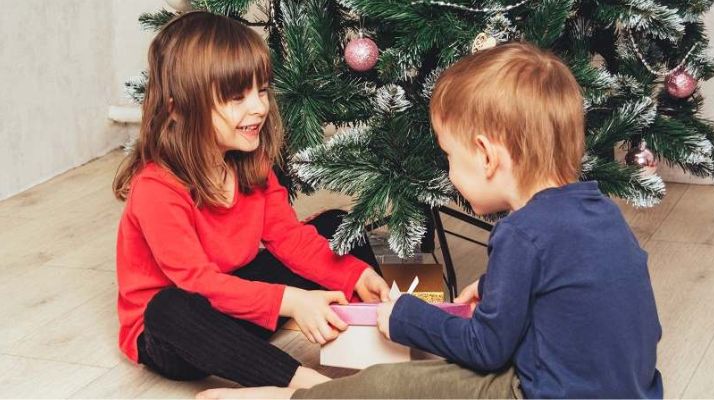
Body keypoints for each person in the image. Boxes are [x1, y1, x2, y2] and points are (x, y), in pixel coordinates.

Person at [198, 42, 663, 399]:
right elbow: (590, 298)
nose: (448, 172)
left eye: (449, 157)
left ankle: (294, 395)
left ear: (485, 156)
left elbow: (487, 349)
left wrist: (404, 316)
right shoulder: (600, 210)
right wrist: (500, 289)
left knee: (387, 384)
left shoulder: (520, 233)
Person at [112, 11, 389, 390]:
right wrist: (290, 301)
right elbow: (199, 284)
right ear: (177, 108)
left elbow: (288, 239)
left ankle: (373, 334)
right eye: (236, 97)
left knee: (336, 227)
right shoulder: (156, 188)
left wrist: (356, 275)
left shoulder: (249, 163)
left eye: (261, 90)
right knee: (168, 309)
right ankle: (302, 384)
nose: (259, 107)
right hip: (181, 333)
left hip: (235, 298)